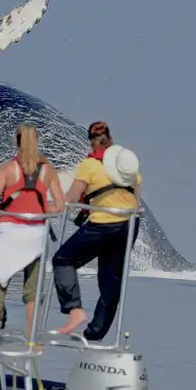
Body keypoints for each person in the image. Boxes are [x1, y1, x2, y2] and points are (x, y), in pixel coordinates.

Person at [0, 123, 65, 348]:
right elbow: (60, 205)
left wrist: (7, 205)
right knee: (32, 290)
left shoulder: (8, 169)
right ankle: (33, 339)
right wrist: (41, 209)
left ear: (17, 142)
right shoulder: (48, 170)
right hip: (35, 235)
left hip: (10, 235)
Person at [52, 121, 142, 340]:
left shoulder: (89, 165)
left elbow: (72, 198)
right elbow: (137, 202)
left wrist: (54, 205)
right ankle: (95, 334)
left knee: (63, 260)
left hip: (102, 224)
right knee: (111, 280)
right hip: (129, 225)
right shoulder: (127, 165)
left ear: (92, 142)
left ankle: (74, 309)